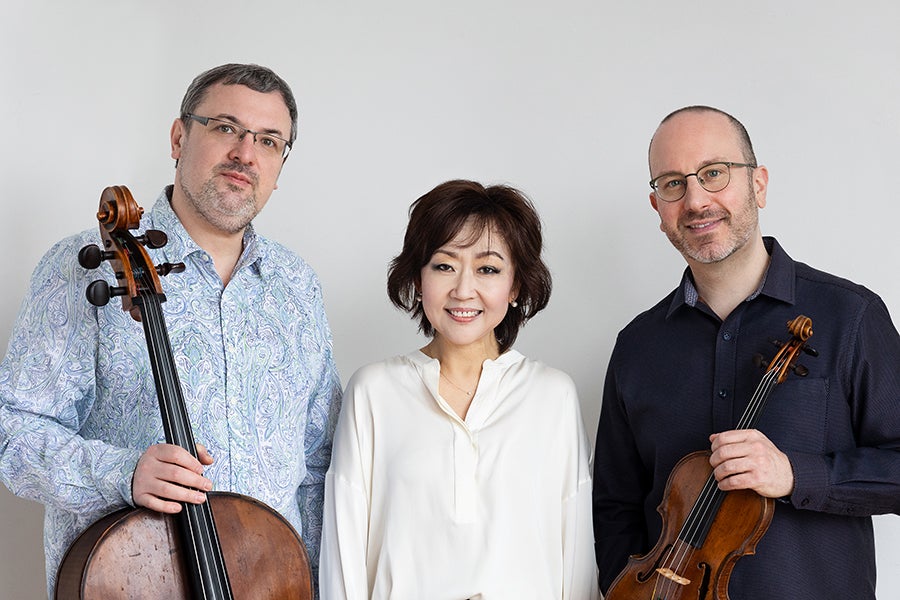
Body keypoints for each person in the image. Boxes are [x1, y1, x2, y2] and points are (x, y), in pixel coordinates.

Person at [0, 63, 342, 596]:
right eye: (226, 127)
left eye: (268, 141)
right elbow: (13, 431)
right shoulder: (81, 268)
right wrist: (121, 474)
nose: (245, 154)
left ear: (280, 164)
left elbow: (317, 465)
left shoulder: (298, 286)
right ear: (179, 138)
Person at [592, 105, 900, 598]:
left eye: (714, 173)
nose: (696, 200)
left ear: (758, 184)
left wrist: (795, 473)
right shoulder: (637, 346)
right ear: (658, 208)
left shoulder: (851, 316)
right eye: (673, 184)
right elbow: (615, 507)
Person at [319, 179, 599, 599]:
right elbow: (343, 559)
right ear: (419, 278)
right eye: (444, 266)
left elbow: (576, 562)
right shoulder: (373, 392)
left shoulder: (552, 396)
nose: (463, 290)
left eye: (488, 269)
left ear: (515, 285)